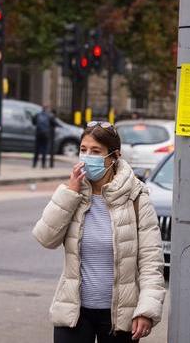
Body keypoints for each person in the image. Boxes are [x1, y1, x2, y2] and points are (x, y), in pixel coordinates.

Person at [33, 121, 165, 342]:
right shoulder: (73, 194)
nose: (87, 157)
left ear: (114, 157)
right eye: (83, 150)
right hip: (75, 313)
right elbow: (46, 238)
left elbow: (151, 261)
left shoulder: (136, 197)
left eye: (96, 151)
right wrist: (69, 193)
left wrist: (146, 310)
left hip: (119, 316)